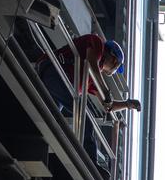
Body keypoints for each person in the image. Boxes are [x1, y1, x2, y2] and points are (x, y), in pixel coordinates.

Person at [37, 34, 141, 164]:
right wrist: (105, 90)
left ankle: (38, 136)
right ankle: (91, 163)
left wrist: (127, 104)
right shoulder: (97, 43)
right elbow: (92, 63)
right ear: (115, 61)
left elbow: (107, 105)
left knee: (49, 118)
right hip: (55, 71)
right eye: (116, 68)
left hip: (58, 82)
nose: (113, 71)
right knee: (85, 119)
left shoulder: (91, 78)